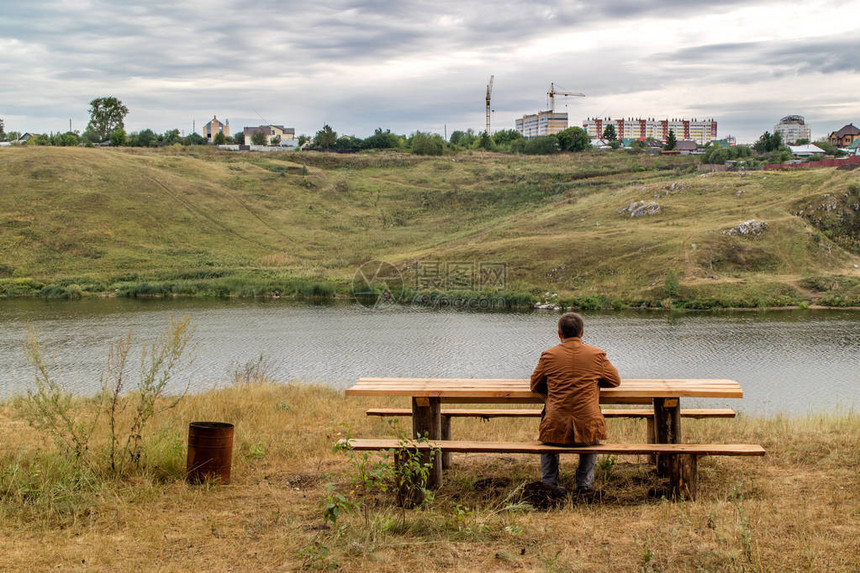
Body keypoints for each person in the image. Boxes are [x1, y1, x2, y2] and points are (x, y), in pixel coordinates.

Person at [529, 312, 621, 493]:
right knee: (589, 429)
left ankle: (549, 483)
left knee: (549, 430)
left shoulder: (548, 355)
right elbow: (615, 381)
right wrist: (593, 380)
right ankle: (584, 484)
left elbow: (535, 385)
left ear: (559, 334)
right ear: (582, 333)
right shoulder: (597, 355)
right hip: (587, 427)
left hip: (555, 428)